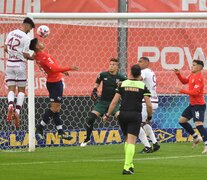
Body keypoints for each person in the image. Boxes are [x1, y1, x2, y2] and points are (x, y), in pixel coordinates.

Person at [103, 64, 152, 175]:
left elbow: (114, 102)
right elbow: (148, 105)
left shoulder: (122, 84)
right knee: (132, 141)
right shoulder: (142, 85)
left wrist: (107, 115)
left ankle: (130, 165)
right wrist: (149, 117)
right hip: (135, 115)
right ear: (140, 74)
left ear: (130, 73)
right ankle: (126, 167)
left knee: (127, 139)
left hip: (123, 114)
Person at [29, 38, 78, 140]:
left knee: (56, 109)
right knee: (54, 108)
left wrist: (62, 72)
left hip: (51, 82)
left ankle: (60, 132)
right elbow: (55, 69)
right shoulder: (44, 57)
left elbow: (52, 68)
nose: (42, 43)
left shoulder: (37, 56)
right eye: (39, 42)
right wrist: (69, 68)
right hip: (55, 84)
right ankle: (40, 126)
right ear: (37, 46)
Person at [80, 58, 127, 147]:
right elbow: (97, 83)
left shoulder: (122, 77)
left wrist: (122, 87)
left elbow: (126, 87)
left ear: (117, 67)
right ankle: (87, 138)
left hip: (115, 103)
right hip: (103, 102)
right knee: (91, 118)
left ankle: (126, 138)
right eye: (110, 64)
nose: (111, 66)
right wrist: (94, 90)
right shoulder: (103, 75)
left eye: (113, 65)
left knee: (121, 117)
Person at [4, 17, 35, 128]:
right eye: (30, 28)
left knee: (11, 89)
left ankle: (10, 105)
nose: (29, 31)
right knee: (21, 90)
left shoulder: (11, 33)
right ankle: (17, 111)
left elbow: (6, 49)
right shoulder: (26, 38)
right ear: (26, 25)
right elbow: (26, 54)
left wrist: (14, 52)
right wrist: (33, 57)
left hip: (9, 64)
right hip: (20, 64)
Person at [174, 59, 207, 154]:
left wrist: (182, 91)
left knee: (198, 124)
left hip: (199, 105)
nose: (191, 66)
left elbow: (195, 93)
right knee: (182, 121)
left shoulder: (199, 78)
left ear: (200, 67)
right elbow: (184, 81)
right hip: (192, 105)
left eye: (194, 65)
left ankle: (206, 144)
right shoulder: (192, 74)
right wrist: (178, 74)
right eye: (192, 65)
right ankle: (196, 137)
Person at [138, 57, 160, 153]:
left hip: (146, 101)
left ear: (147, 62)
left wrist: (127, 81)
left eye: (140, 61)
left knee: (136, 124)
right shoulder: (151, 72)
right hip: (154, 101)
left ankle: (147, 146)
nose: (138, 63)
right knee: (145, 123)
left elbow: (138, 79)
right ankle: (155, 143)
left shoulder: (145, 71)